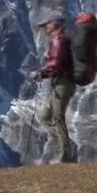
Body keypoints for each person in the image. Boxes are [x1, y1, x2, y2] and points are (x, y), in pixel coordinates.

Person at [30, 12, 76, 164]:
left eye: (47, 25)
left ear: (55, 24)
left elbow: (56, 65)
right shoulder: (61, 41)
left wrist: (41, 73)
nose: (45, 29)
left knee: (56, 117)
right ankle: (67, 143)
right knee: (45, 115)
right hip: (61, 83)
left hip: (63, 83)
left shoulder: (59, 40)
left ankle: (67, 154)